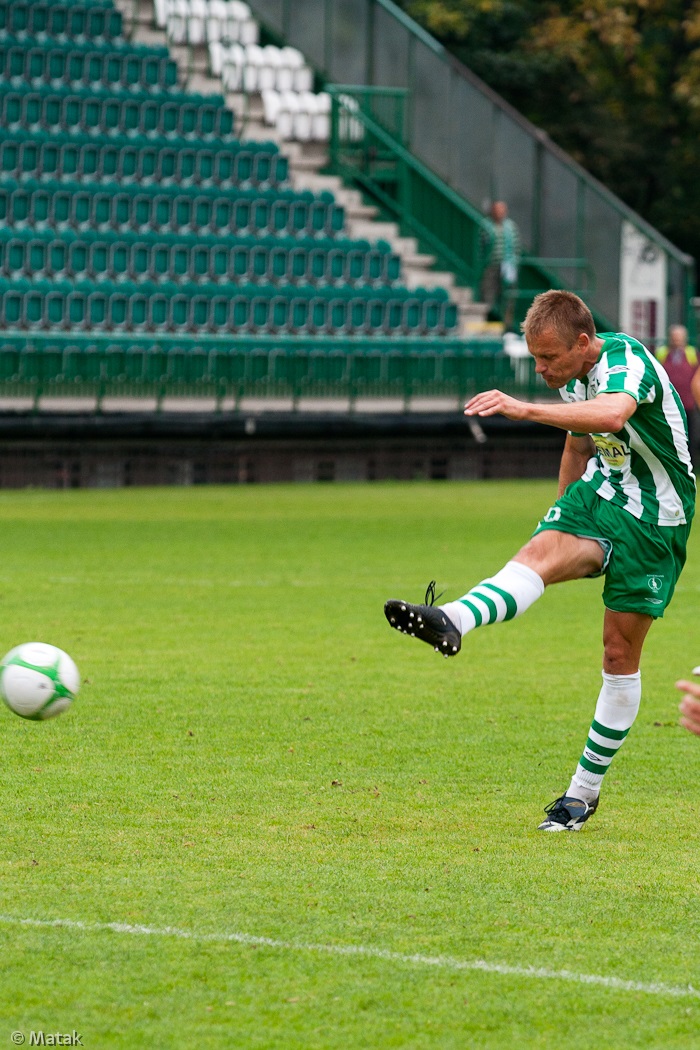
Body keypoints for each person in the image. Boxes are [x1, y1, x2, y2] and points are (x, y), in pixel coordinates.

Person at [385, 290, 696, 831]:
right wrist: (560, 517)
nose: (541, 369)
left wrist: (523, 408)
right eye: (535, 358)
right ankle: (451, 619)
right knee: (536, 554)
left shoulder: (626, 361)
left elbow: (612, 413)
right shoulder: (574, 378)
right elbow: (578, 446)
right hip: (602, 495)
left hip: (656, 520)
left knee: (619, 653)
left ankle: (583, 792)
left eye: (548, 357)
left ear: (583, 342)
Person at [656, 325, 699, 458]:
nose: (677, 341)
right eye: (674, 337)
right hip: (667, 403)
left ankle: (690, 462)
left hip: (688, 403)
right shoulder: (662, 352)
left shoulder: (692, 353)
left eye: (679, 338)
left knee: (690, 434)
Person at [480, 201, 521, 331]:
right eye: (498, 210)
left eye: (502, 210)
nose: (500, 213)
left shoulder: (511, 226)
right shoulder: (486, 225)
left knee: (509, 294)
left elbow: (516, 246)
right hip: (492, 264)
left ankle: (507, 323)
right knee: (489, 291)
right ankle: (490, 320)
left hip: (508, 265)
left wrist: (514, 261)